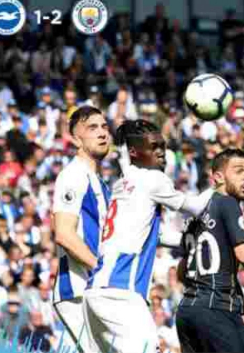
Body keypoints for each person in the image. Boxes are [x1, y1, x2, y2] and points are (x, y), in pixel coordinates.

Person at [82, 119, 213, 353]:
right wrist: (221, 184)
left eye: (162, 145)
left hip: (95, 292)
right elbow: (195, 207)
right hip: (122, 290)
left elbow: (154, 234)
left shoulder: (123, 183)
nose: (161, 152)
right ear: (134, 151)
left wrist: (185, 241)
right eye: (153, 147)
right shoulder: (152, 178)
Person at [175, 148, 244, 353]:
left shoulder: (194, 216)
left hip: (186, 310)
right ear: (218, 177)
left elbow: (181, 271)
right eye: (238, 171)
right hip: (217, 308)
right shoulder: (228, 203)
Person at [51, 106, 111, 352]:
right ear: (76, 139)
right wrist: (103, 272)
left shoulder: (100, 182)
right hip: (77, 289)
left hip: (94, 289)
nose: (102, 133)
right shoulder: (73, 175)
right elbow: (64, 234)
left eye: (105, 127)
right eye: (92, 128)